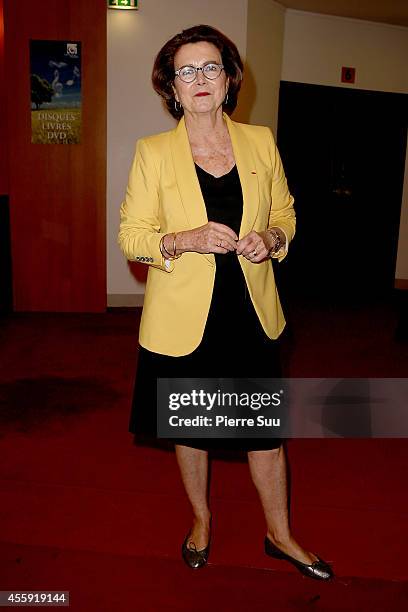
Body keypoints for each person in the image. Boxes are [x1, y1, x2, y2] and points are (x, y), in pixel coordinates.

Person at [118, 24, 333, 580]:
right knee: (191, 428)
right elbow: (132, 236)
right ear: (172, 87)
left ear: (229, 77)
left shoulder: (260, 141)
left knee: (265, 434)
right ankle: (201, 520)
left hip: (250, 312)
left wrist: (274, 239)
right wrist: (183, 239)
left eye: (210, 66)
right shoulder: (154, 152)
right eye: (185, 72)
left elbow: (285, 213)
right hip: (184, 319)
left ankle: (280, 535)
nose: (199, 79)